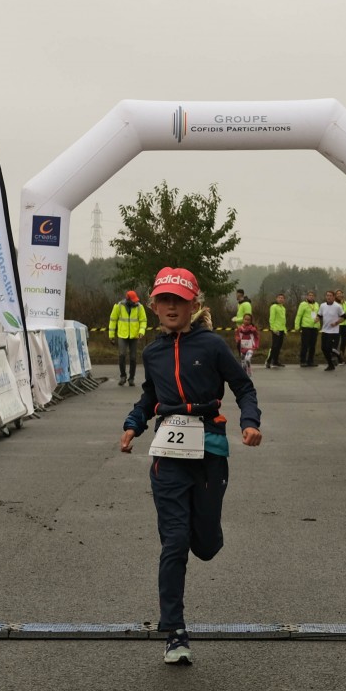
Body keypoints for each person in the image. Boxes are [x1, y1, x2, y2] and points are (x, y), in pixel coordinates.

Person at [120, 267, 262, 664]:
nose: (171, 307)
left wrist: (250, 422)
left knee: (205, 544)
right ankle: (175, 632)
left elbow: (243, 387)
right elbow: (149, 397)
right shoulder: (153, 353)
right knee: (175, 540)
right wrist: (133, 425)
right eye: (164, 300)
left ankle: (208, 533)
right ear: (153, 306)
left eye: (178, 301)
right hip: (167, 457)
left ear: (193, 305)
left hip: (209, 452)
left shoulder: (212, 346)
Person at [110, 289, 148, 386]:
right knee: (122, 355)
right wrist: (111, 335)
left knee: (133, 357)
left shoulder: (139, 307)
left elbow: (143, 321)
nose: (135, 302)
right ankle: (123, 376)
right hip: (122, 335)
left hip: (134, 336)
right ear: (128, 299)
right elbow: (113, 320)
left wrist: (141, 332)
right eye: (133, 300)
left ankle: (131, 378)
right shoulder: (119, 306)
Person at [317, 290, 345, 371]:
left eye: (330, 296)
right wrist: (317, 318)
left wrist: (336, 323)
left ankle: (339, 354)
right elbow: (319, 315)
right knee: (323, 348)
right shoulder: (322, 305)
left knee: (330, 348)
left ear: (333, 297)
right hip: (325, 330)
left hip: (334, 331)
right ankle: (330, 365)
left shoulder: (337, 306)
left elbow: (344, 317)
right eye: (327, 295)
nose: (328, 297)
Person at [294, 290, 321, 367]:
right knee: (305, 345)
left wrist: (319, 325)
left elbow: (318, 315)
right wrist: (297, 326)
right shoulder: (303, 304)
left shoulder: (317, 304)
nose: (311, 297)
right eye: (309, 295)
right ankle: (303, 360)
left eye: (312, 295)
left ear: (314, 297)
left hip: (314, 327)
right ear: (307, 296)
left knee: (313, 345)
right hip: (306, 327)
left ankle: (310, 361)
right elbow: (299, 315)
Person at [265, 292, 289, 369]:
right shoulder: (274, 307)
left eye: (282, 298)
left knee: (279, 346)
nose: (281, 299)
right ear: (276, 299)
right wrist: (273, 328)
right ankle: (268, 361)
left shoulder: (283, 308)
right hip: (276, 329)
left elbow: (283, 320)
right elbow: (271, 318)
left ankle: (275, 361)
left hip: (282, 329)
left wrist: (285, 330)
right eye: (279, 298)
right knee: (274, 346)